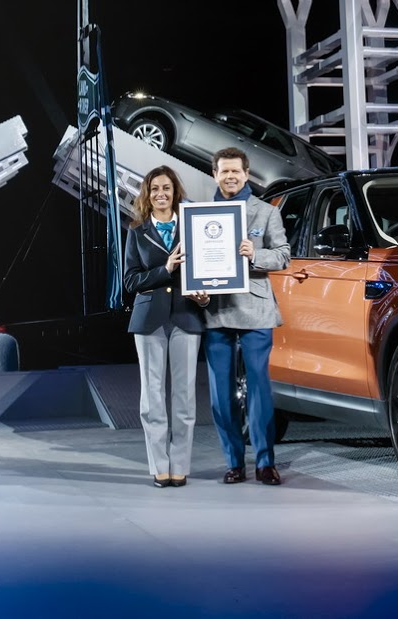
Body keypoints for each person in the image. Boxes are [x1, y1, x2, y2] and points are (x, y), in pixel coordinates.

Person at [201, 146, 291, 485]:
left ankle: (266, 461)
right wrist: (197, 288)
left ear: (246, 173)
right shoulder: (200, 215)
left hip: (256, 309)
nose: (230, 176)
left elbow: (283, 256)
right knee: (221, 395)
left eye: (235, 171)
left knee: (259, 389)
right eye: (224, 171)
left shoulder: (266, 212)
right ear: (215, 174)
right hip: (216, 309)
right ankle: (234, 462)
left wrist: (256, 254)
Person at [122, 166, 210, 487]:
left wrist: (205, 299)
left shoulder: (194, 226)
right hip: (149, 321)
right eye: (155, 189)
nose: (161, 194)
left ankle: (180, 465)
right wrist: (166, 269)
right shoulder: (137, 231)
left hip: (186, 316)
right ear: (147, 194)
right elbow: (130, 281)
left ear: (175, 193)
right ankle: (159, 465)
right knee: (152, 397)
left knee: (185, 398)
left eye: (167, 188)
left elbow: (207, 271)